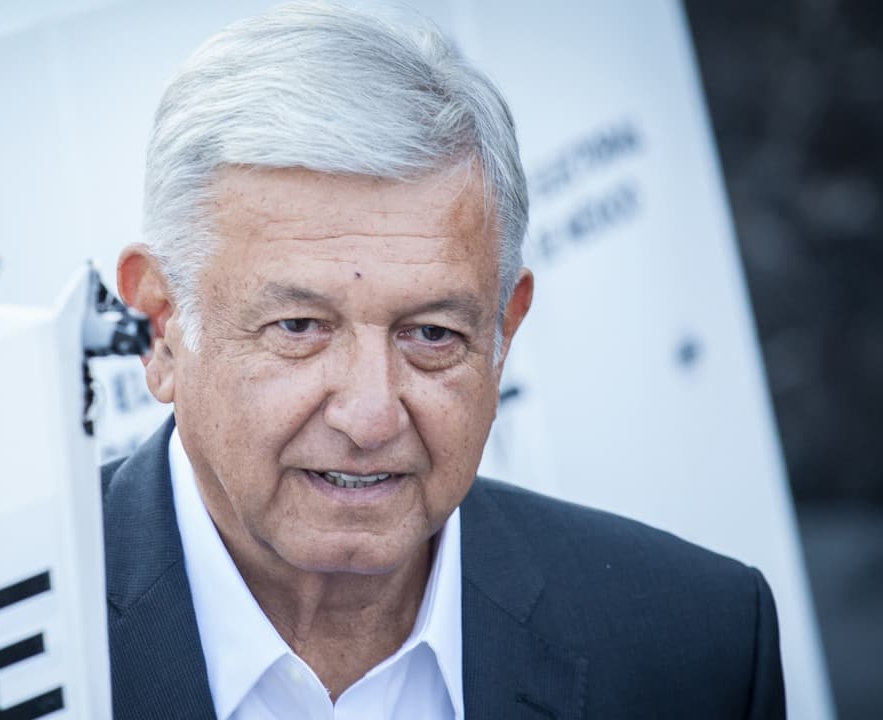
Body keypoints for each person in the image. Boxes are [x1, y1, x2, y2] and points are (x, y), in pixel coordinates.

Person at [104, 3, 786, 718]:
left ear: (502, 333)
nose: (370, 417)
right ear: (161, 326)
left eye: (431, 334)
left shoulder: (695, 644)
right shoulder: (28, 628)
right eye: (299, 327)